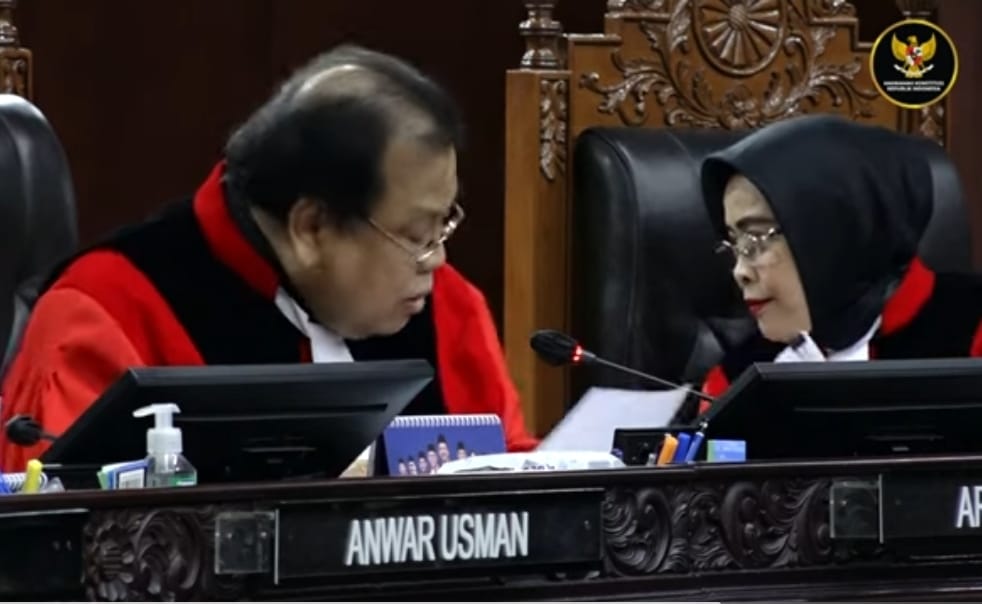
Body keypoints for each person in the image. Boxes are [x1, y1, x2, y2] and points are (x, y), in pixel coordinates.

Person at [0, 45, 538, 471]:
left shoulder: (446, 310)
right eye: (415, 233)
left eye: (442, 224)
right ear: (312, 227)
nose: (436, 260)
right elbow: (59, 534)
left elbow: (520, 493)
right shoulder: (107, 314)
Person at [698, 114, 982, 404]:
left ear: (845, 228)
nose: (740, 272)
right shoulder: (737, 382)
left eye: (757, 237)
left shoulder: (972, 333)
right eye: (735, 242)